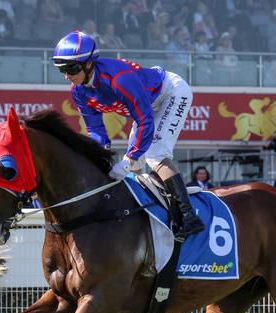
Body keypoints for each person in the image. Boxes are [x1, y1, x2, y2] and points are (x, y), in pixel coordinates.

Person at [52, 30, 204, 239]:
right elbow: (96, 131)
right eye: (61, 69)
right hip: (149, 104)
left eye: (71, 68)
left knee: (154, 154)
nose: (67, 75)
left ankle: (189, 217)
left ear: (89, 64)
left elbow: (145, 120)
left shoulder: (119, 80)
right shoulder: (79, 91)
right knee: (138, 167)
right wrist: (100, 156)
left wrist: (128, 159)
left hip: (171, 93)